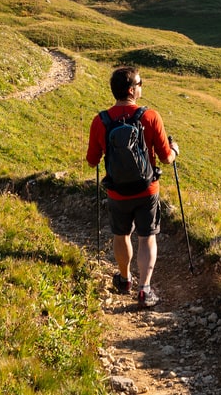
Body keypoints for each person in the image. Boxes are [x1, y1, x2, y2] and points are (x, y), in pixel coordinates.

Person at [87, 65, 178, 308]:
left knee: (121, 234)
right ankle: (144, 289)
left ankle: (125, 279)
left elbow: (92, 161)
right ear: (131, 90)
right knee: (147, 236)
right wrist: (175, 149)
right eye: (140, 83)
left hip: (117, 190)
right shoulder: (150, 117)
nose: (141, 87)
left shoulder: (100, 121)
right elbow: (166, 157)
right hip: (147, 190)